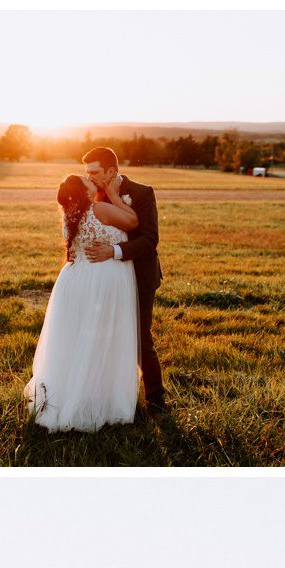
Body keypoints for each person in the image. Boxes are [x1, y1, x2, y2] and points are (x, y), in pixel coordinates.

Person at [24, 172, 141, 432]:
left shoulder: (69, 216)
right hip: (100, 281)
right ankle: (98, 400)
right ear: (84, 190)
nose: (90, 179)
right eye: (86, 179)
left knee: (76, 340)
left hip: (74, 281)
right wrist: (113, 195)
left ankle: (70, 394)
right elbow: (132, 221)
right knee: (102, 339)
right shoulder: (100, 209)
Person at [78, 146, 165, 414]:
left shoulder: (141, 193)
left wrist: (113, 252)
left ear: (111, 171)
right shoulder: (93, 194)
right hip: (107, 282)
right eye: (87, 172)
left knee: (140, 338)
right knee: (106, 336)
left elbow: (149, 240)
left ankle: (156, 400)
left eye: (94, 172)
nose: (90, 177)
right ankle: (110, 396)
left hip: (139, 277)